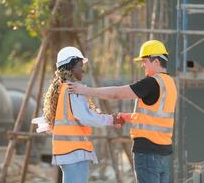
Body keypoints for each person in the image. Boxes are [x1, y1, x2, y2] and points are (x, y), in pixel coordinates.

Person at [67, 40, 178, 183]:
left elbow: (117, 94)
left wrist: (86, 90)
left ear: (156, 61)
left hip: (147, 152)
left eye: (144, 61)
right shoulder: (170, 83)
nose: (142, 65)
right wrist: (130, 117)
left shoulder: (151, 82)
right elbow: (157, 115)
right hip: (163, 153)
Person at [43, 46, 124, 183]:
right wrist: (111, 119)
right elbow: (86, 117)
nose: (83, 69)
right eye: (80, 65)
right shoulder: (72, 90)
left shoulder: (61, 89)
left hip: (68, 152)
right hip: (74, 152)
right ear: (71, 67)